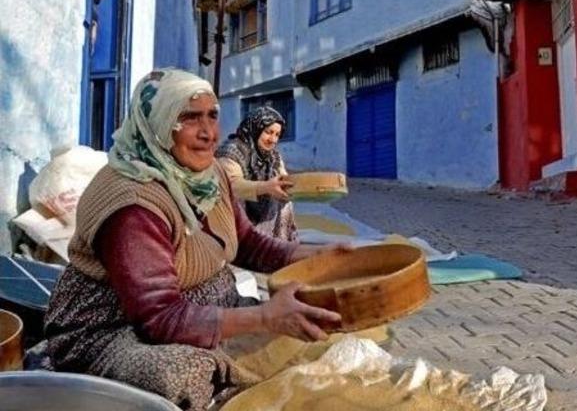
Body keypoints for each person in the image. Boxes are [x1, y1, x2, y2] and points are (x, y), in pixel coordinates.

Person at [43, 69, 349, 410]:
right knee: (180, 375)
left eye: (212, 116)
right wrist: (264, 317)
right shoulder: (132, 204)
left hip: (208, 307)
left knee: (308, 337)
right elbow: (159, 317)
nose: (208, 133)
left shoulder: (208, 173)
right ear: (157, 123)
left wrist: (314, 255)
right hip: (114, 329)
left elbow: (245, 241)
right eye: (189, 118)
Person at [216, 107, 298, 242]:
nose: (273, 139)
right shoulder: (232, 151)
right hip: (232, 220)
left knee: (283, 199)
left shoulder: (273, 157)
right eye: (268, 132)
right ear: (255, 129)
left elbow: (284, 179)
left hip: (261, 217)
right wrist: (266, 187)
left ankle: (278, 243)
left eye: (277, 135)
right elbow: (232, 185)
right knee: (237, 200)